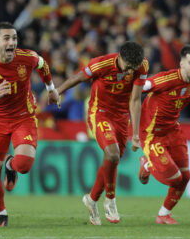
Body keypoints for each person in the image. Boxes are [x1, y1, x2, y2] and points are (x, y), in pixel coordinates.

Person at [0, 22, 59, 227]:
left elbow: (43, 65)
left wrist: (51, 89)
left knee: (23, 165)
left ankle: (10, 164)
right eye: (7, 38)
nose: (12, 42)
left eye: (14, 38)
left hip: (24, 117)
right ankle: (1, 213)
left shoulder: (27, 57)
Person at [55, 41, 148, 225]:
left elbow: (136, 100)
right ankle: (111, 200)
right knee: (112, 155)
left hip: (121, 117)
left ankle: (91, 199)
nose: (130, 72)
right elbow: (79, 77)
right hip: (100, 113)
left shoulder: (141, 65)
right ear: (119, 57)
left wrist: (135, 134)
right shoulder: (101, 64)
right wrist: (58, 91)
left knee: (111, 160)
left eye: (133, 69)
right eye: (128, 68)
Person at [136, 45, 190, 225]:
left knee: (185, 178)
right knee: (175, 178)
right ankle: (147, 165)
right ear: (182, 64)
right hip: (152, 133)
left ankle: (163, 214)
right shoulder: (165, 79)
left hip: (173, 131)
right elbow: (137, 89)